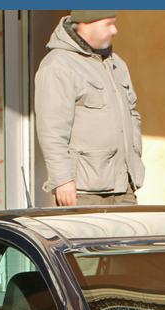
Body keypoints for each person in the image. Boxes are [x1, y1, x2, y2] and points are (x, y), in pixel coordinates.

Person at [34, 11, 143, 207]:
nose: (115, 30)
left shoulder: (116, 63)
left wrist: (134, 154)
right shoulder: (58, 65)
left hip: (124, 186)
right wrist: (63, 179)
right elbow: (51, 129)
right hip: (83, 191)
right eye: (108, 24)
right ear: (85, 23)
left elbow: (132, 113)